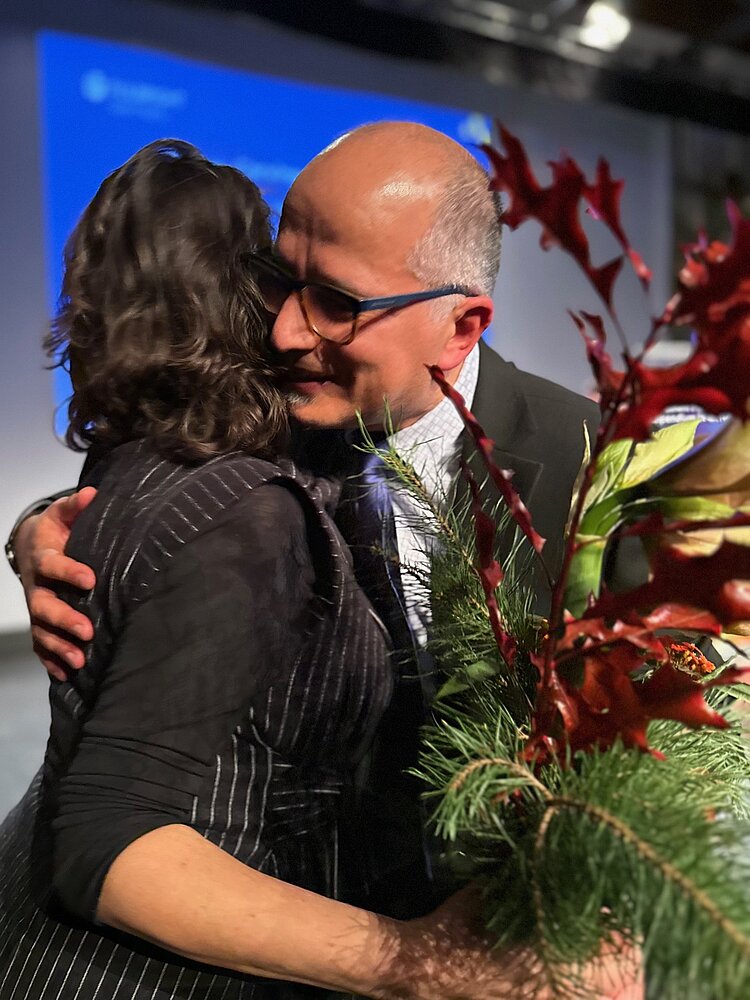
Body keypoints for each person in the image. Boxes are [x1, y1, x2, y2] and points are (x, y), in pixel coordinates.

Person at [5, 125, 639, 997]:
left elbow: (660, 723)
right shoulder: (274, 409)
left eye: (338, 303)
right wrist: (39, 530)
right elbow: (170, 489)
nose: (284, 329)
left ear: (461, 326)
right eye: (279, 279)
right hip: (287, 936)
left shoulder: (598, 466)